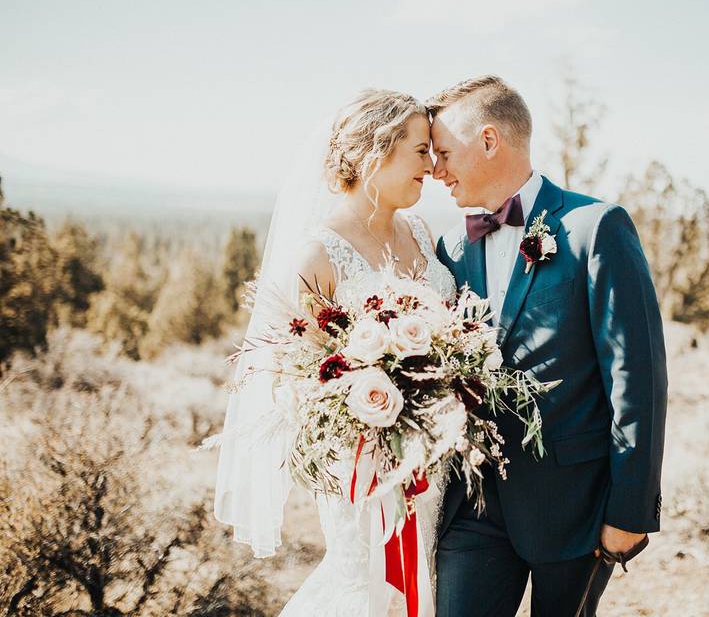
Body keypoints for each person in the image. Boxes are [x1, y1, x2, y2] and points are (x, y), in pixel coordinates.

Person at [208, 88, 455, 616]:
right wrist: (369, 403)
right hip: (361, 470)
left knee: (430, 584)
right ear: (375, 151)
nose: (432, 166)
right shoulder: (317, 255)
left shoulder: (421, 232)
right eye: (419, 150)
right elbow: (284, 378)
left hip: (440, 461)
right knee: (368, 588)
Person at [430, 75, 668, 617]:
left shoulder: (594, 228)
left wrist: (630, 511)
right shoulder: (447, 247)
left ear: (489, 141)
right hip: (474, 507)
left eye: (445, 153)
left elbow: (638, 379)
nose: (436, 171)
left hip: (575, 509)